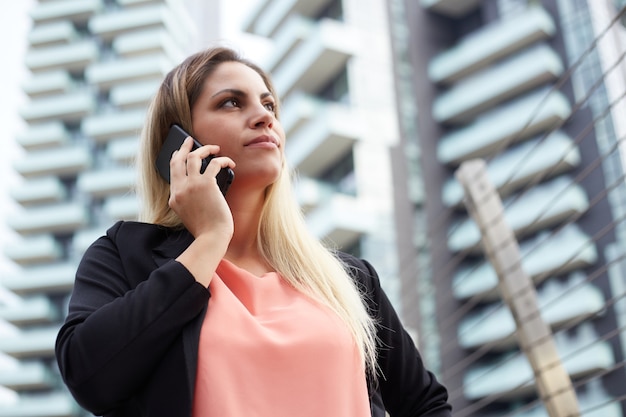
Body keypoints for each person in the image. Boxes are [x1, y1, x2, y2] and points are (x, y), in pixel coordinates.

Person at [55, 46, 452, 417]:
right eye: (231, 102)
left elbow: (427, 405)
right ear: (178, 145)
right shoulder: (126, 254)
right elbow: (90, 377)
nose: (265, 117)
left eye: (269, 105)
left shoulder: (349, 280)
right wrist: (210, 240)